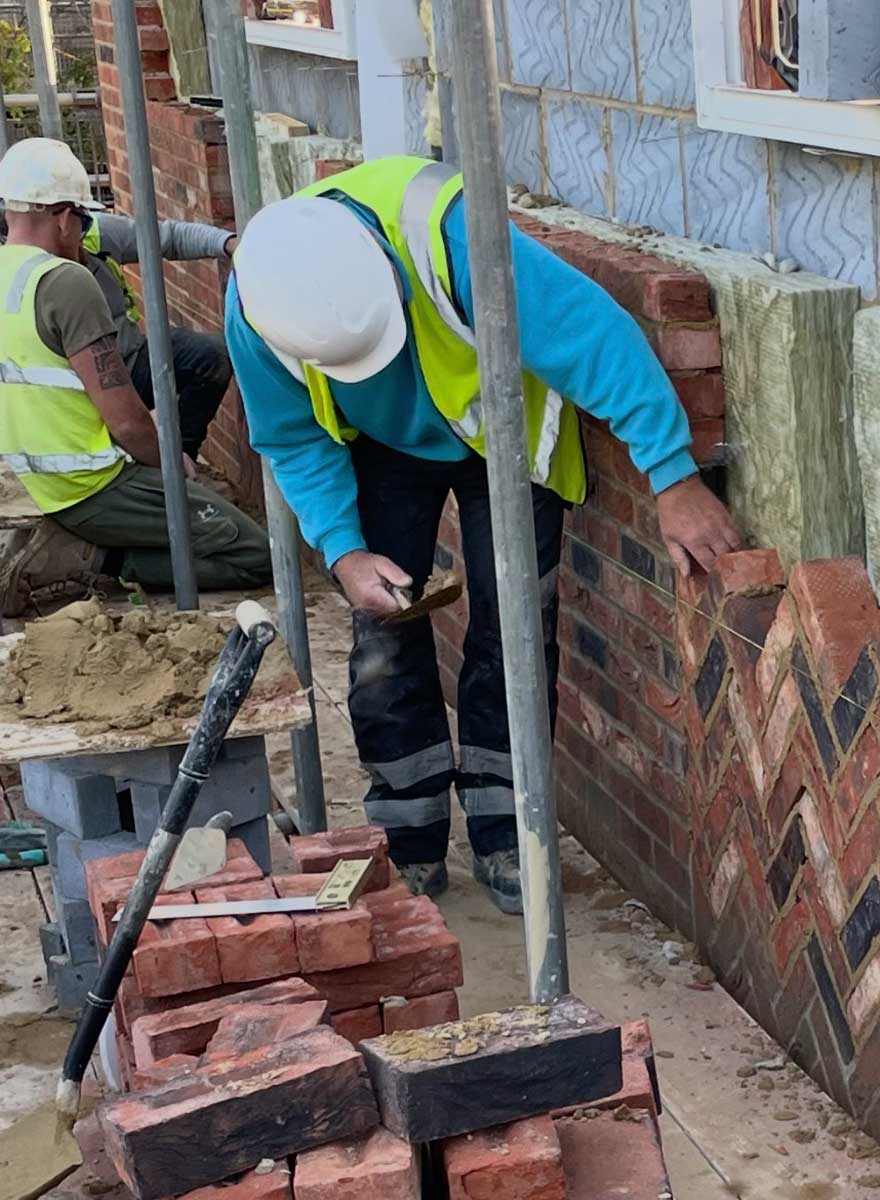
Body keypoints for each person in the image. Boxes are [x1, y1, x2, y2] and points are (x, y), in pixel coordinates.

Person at [226, 155, 741, 914]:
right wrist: (343, 548)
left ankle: (508, 832)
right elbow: (294, 439)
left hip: (503, 434)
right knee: (382, 635)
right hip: (382, 449)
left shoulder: (450, 237)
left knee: (514, 630)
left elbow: (594, 336)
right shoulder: (262, 311)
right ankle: (407, 837)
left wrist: (674, 476)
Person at [0, 138, 272, 612]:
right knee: (254, 553)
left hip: (48, 482)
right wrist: (171, 466)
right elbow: (126, 422)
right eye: (81, 219)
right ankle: (90, 560)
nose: (84, 230)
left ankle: (95, 545)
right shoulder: (64, 281)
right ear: (64, 215)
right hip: (96, 484)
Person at [81, 210, 237, 461]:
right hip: (73, 387)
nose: (79, 228)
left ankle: (181, 460)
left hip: (127, 360)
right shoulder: (31, 272)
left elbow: (169, 236)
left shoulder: (94, 232)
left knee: (210, 356)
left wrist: (229, 243)